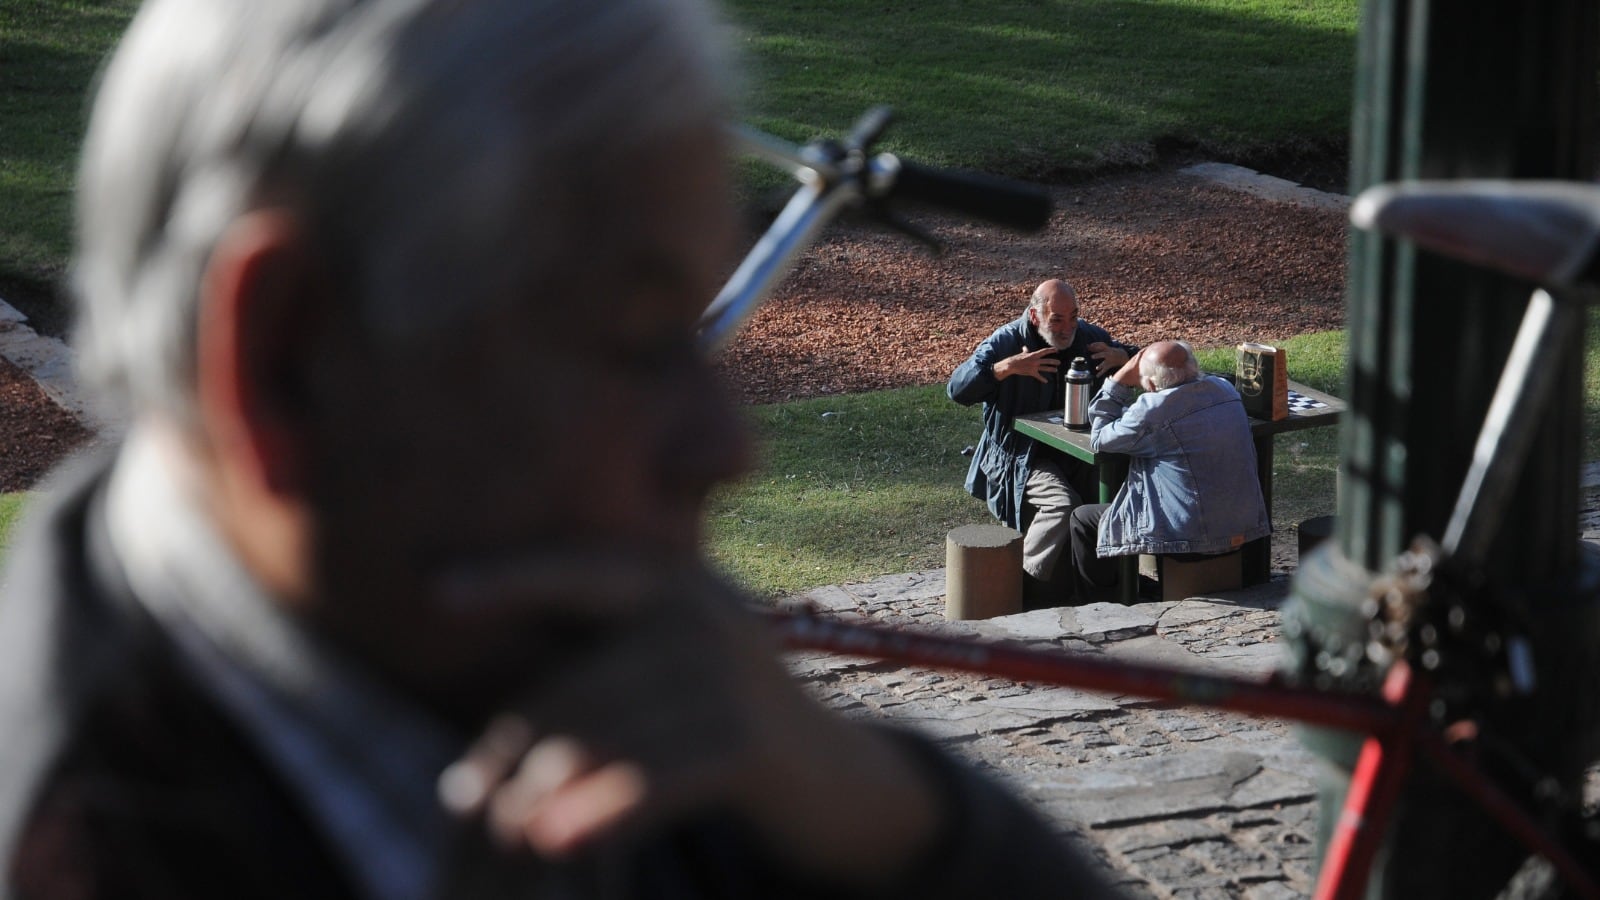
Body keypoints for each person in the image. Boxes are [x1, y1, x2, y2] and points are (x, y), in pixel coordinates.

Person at [0, 1, 1119, 897]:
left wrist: (881, 810)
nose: (728, 450)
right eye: (633, 343)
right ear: (285, 362)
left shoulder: (577, 661)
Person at [947, 279, 1137, 606]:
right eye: (1057, 319)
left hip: (1077, 452)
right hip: (1019, 454)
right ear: (1035, 317)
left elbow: (1157, 361)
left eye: (1073, 317)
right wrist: (1004, 369)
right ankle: (1022, 587)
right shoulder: (1007, 342)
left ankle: (1109, 587)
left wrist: (1123, 357)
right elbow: (957, 389)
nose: (1067, 327)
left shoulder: (1089, 340)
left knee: (1128, 484)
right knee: (1063, 504)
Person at [1066, 341, 1271, 602]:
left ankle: (1106, 606)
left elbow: (1100, 438)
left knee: (1084, 520)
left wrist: (1118, 381)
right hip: (1244, 526)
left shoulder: (1152, 410)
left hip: (1188, 536)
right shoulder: (1225, 390)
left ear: (1150, 386)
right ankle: (1145, 587)